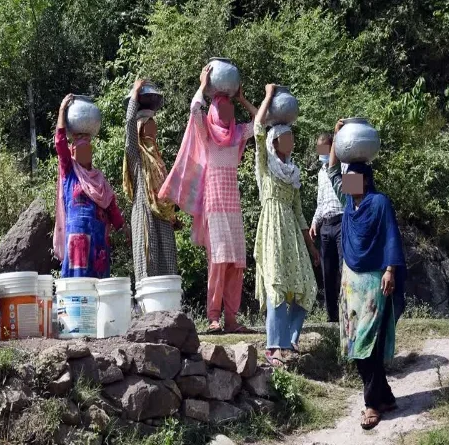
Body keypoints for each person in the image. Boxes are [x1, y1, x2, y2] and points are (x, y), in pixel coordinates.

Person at [160, 65, 256, 334]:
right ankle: (214, 317)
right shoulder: (207, 136)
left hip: (233, 208)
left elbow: (260, 122)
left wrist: (242, 98)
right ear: (213, 111)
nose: (226, 114)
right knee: (217, 262)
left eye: (229, 110)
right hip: (214, 208)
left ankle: (232, 319)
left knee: (237, 263)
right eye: (221, 109)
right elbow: (194, 111)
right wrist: (203, 84)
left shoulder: (237, 135)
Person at [328, 119, 407, 430]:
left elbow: (391, 237)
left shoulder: (378, 203)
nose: (348, 183)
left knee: (366, 344)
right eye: (349, 180)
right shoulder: (349, 204)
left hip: (375, 282)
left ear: (365, 180)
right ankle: (385, 396)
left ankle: (372, 405)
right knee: (357, 343)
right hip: (351, 284)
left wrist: (390, 270)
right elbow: (332, 172)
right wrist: (336, 138)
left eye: (354, 179)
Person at [253, 84, 319, 367]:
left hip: (291, 230)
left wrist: (311, 246)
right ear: (275, 142)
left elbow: (299, 211)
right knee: (277, 285)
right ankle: (273, 346)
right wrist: (268, 96)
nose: (291, 141)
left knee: (307, 285)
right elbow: (257, 128)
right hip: (272, 229)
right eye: (286, 137)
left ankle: (291, 338)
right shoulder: (266, 167)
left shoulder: (293, 173)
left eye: (292, 137)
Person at [53, 94, 125, 278]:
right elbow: (60, 142)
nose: (85, 152)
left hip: (99, 242)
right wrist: (62, 109)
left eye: (88, 148)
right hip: (78, 240)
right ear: (73, 151)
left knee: (99, 290)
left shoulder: (99, 179)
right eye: (79, 148)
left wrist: (125, 230)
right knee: (78, 288)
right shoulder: (69, 171)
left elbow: (112, 209)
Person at [123, 79, 178, 283]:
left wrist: (172, 213)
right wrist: (135, 96)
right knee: (149, 263)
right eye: (150, 123)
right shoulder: (136, 155)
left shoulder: (158, 158)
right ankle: (149, 313)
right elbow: (128, 131)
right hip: (145, 213)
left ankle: (169, 311)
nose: (154, 127)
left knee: (169, 265)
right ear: (142, 128)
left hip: (163, 217)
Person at [310, 132, 345, 322]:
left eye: (326, 148)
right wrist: (315, 221)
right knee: (327, 273)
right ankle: (332, 318)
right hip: (325, 226)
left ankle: (349, 313)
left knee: (344, 269)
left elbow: (352, 199)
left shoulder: (345, 167)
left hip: (342, 222)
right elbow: (320, 201)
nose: (322, 153)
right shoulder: (320, 173)